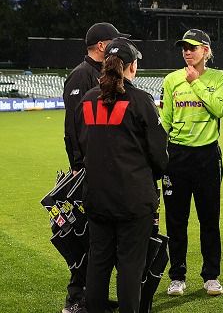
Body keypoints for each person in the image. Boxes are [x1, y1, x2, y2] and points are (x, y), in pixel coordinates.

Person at [74, 37, 168, 313]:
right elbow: (159, 152)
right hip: (133, 199)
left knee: (98, 262)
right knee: (130, 266)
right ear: (131, 67)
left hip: (97, 197)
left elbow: (81, 143)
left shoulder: (90, 98)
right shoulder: (141, 100)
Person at [61, 22, 129, 313]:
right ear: (102, 46)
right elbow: (74, 128)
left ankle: (94, 296)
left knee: (100, 240)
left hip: (106, 170)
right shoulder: (81, 75)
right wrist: (77, 166)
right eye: (112, 42)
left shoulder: (101, 75)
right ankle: (76, 297)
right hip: (87, 171)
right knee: (84, 236)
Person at [159, 29, 223, 296]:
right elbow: (165, 120)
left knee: (209, 219)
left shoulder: (218, 77)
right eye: (184, 48)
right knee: (176, 221)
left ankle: (211, 276)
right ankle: (177, 276)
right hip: (176, 157)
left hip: (207, 157)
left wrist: (196, 82)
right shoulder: (171, 80)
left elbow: (219, 109)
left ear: (206, 51)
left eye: (193, 47)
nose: (187, 51)